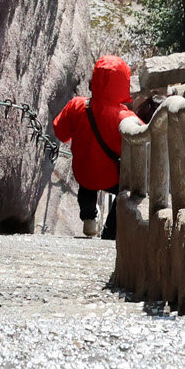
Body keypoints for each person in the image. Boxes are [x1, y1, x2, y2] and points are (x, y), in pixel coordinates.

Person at [52, 55, 139, 239]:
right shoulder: (127, 118)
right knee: (129, 190)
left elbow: (61, 133)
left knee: (87, 183)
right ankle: (110, 232)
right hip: (111, 177)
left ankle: (89, 218)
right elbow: (142, 148)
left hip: (83, 173)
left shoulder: (76, 105)